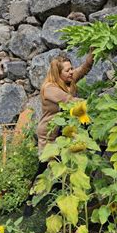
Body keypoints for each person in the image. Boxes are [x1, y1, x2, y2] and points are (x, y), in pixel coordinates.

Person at [24, 52, 94, 216]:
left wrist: (92, 54)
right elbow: (72, 102)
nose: (71, 72)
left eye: (71, 69)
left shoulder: (67, 80)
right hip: (48, 134)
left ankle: (56, 207)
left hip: (64, 132)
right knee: (44, 169)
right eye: (68, 70)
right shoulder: (50, 88)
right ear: (58, 73)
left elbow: (83, 69)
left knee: (63, 168)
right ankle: (29, 201)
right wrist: (97, 103)